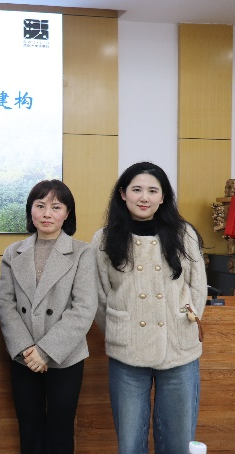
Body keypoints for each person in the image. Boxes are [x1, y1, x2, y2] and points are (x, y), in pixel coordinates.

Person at [92, 162, 207, 453]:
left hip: (179, 348)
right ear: (123, 194)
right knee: (130, 442)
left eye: (153, 191)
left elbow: (197, 288)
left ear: (163, 196)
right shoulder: (104, 239)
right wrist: (122, 327)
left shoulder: (184, 234)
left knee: (179, 440)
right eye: (137, 189)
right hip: (127, 350)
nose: (144, 197)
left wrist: (181, 322)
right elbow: (100, 297)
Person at [0, 180, 97, 453]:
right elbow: (5, 303)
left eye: (56, 207)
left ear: (67, 213)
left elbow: (84, 308)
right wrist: (28, 350)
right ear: (31, 211)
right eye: (40, 206)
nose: (47, 213)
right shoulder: (13, 252)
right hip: (24, 357)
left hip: (65, 357)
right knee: (29, 430)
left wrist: (46, 351)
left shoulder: (83, 252)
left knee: (60, 432)